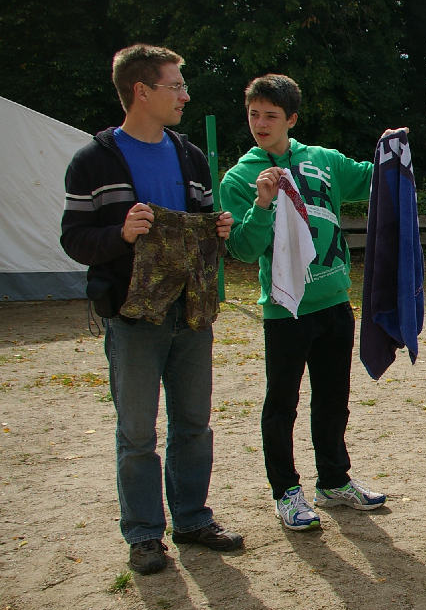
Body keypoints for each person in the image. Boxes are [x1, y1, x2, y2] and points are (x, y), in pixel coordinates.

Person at [60, 44, 242, 575]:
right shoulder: (92, 161)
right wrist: (120, 234)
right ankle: (143, 535)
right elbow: (74, 239)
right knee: (138, 432)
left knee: (194, 424)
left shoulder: (190, 156)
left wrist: (219, 229)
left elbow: (204, 221)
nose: (185, 95)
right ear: (142, 91)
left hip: (192, 313)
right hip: (133, 318)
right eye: (176, 86)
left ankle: (192, 520)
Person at [220, 74, 394, 531]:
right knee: (282, 405)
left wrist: (393, 150)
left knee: (334, 400)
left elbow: (375, 179)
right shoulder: (239, 178)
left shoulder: (322, 160)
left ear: (291, 119)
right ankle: (285, 491)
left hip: (334, 302)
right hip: (286, 309)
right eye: (254, 114)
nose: (261, 123)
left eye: (271, 115)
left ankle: (334, 481)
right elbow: (242, 250)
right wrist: (261, 205)